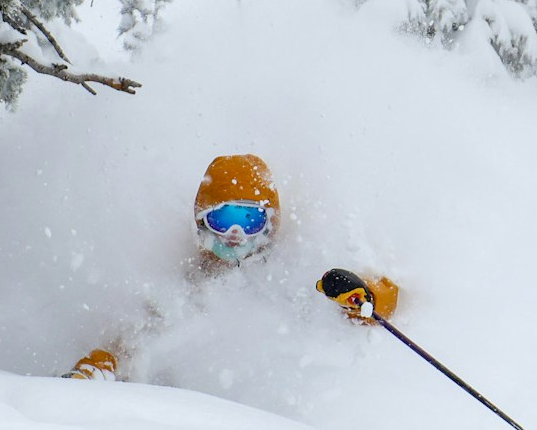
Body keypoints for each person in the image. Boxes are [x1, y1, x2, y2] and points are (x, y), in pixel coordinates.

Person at [65, 153, 397, 381]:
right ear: (201, 222)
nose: (236, 235)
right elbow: (130, 337)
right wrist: (97, 366)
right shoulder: (186, 280)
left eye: (249, 220)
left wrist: (364, 299)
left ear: (271, 223)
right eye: (223, 219)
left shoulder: (292, 266)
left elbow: (385, 300)